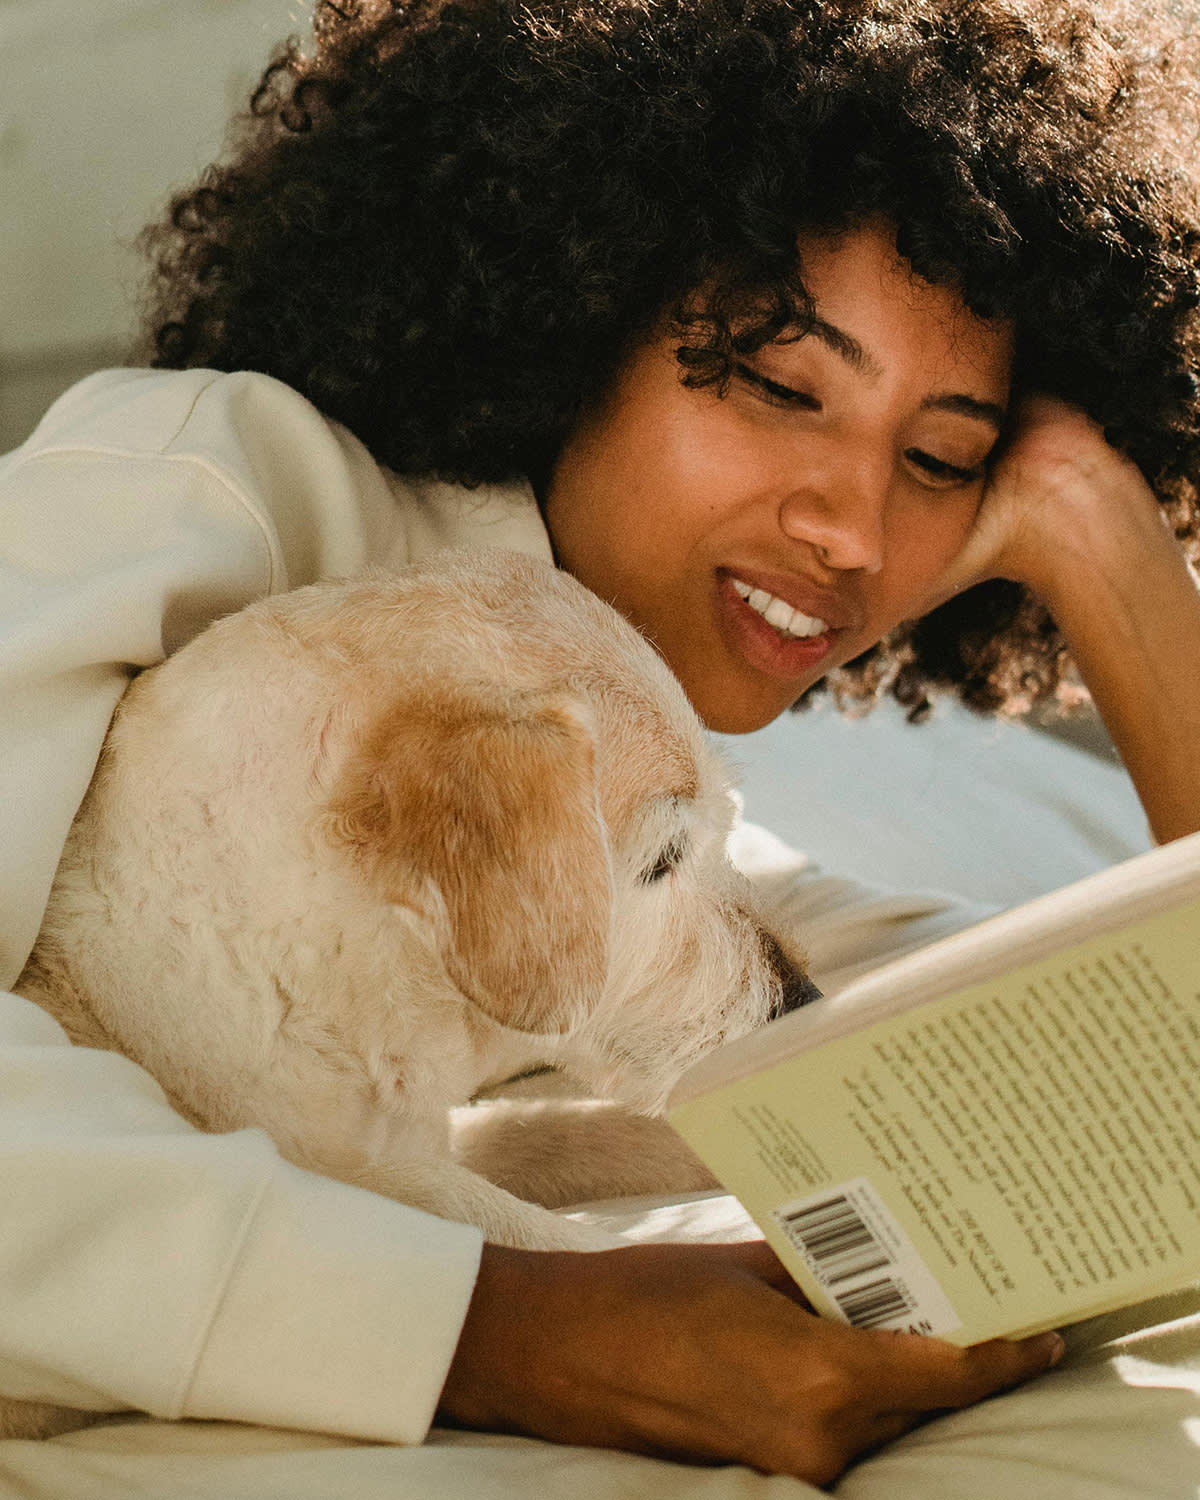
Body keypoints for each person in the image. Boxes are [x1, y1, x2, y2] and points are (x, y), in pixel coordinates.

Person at [1, 0, 1199, 1489]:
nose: (854, 527)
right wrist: (515, 1333)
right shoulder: (217, 485)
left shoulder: (689, 826)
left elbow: (1122, 1035)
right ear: (575, 308)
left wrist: (1105, 544)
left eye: (942, 457)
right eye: (777, 384)